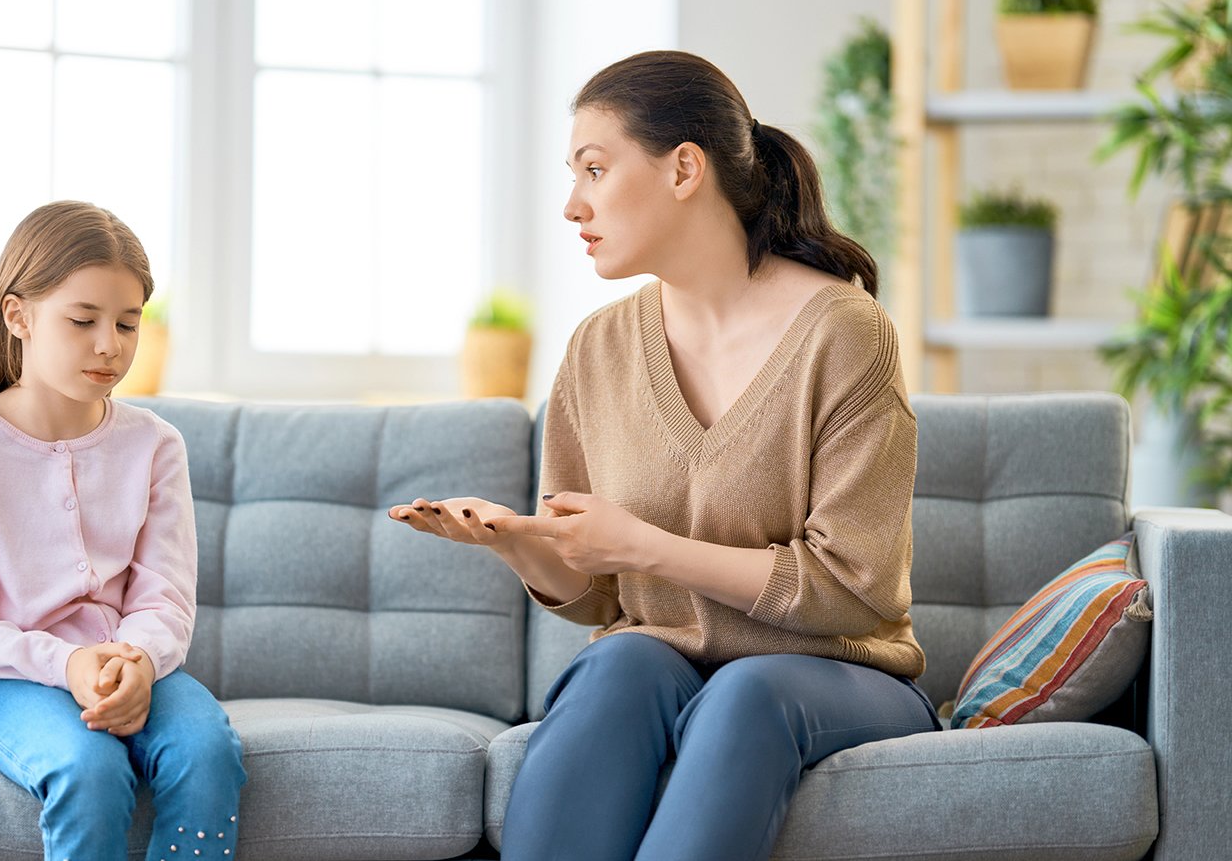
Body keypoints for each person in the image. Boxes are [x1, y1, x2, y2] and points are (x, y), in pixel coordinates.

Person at [389, 50, 940, 861]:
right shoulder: (599, 347)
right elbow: (598, 597)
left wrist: (646, 546)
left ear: (685, 167)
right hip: (662, 663)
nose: (573, 205)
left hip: (835, 674)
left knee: (749, 692)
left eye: (596, 169)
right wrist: (525, 546)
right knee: (617, 669)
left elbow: (850, 592)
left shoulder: (845, 333)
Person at [0, 200, 245, 861]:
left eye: (128, 323)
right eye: (83, 320)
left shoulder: (157, 444)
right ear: (19, 316)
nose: (110, 344)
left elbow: (165, 595)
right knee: (89, 768)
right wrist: (66, 663)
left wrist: (137, 661)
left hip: (128, 660)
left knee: (207, 748)